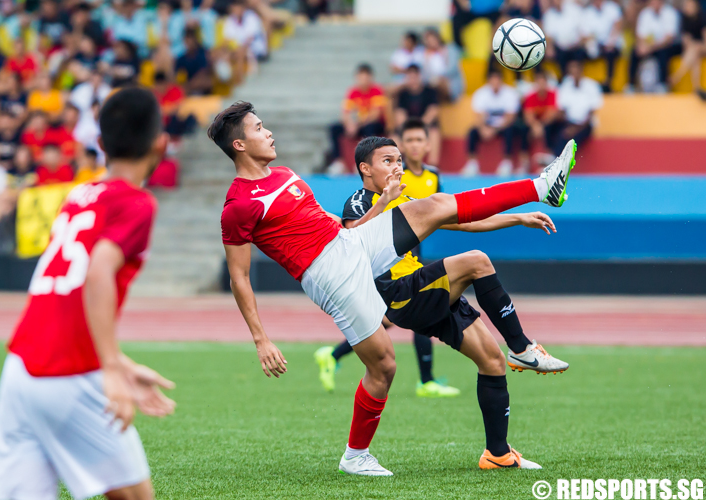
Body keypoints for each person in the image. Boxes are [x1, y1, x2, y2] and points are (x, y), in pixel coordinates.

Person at [211, 100, 577, 475]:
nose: (268, 132)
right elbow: (239, 277)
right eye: (258, 128)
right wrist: (261, 339)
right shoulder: (238, 205)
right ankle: (355, 456)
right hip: (328, 273)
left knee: (435, 205)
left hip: (347, 246)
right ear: (239, 145)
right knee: (384, 367)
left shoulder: (286, 174)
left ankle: (540, 186)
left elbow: (335, 225)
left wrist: (380, 208)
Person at [0, 87, 176, 500]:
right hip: (70, 371)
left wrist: (120, 363)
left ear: (101, 144)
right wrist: (110, 366)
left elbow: (65, 291)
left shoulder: (79, 194)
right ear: (161, 144)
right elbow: (96, 272)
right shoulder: (137, 203)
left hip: (19, 368)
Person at [315, 118, 461, 398]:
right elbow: (356, 232)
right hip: (387, 255)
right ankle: (426, 380)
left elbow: (438, 211)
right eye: (411, 141)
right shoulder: (374, 189)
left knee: (387, 320)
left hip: (411, 250)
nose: (416, 146)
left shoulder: (432, 176)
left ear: (428, 145)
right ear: (403, 144)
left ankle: (333, 355)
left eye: (421, 140)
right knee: (417, 309)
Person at [326, 64, 387, 174]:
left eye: (365, 78)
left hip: (373, 124)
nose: (363, 81)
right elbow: (345, 112)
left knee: (369, 129)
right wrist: (349, 124)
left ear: (370, 78)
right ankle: (338, 161)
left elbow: (375, 115)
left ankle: (363, 161)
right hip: (357, 124)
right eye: (360, 78)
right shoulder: (353, 91)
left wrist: (357, 124)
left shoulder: (376, 90)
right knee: (334, 128)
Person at [462, 70, 523, 177]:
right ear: (489, 81)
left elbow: (510, 117)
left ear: (501, 81)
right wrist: (483, 129)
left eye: (497, 81)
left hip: (503, 126)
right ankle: (472, 164)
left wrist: (495, 130)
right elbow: (478, 116)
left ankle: (506, 163)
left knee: (511, 131)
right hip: (487, 126)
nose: (495, 84)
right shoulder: (481, 94)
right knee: (472, 131)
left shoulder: (510, 93)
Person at [551, 60, 602, 156]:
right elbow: (562, 109)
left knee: (569, 137)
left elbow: (591, 114)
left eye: (575, 71)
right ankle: (552, 156)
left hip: (585, 125)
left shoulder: (592, 86)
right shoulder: (566, 85)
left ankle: (556, 160)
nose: (573, 74)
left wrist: (575, 129)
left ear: (581, 71)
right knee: (552, 128)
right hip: (569, 122)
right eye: (571, 72)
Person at [628, 0, 681, 92]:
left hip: (666, 46)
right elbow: (640, 35)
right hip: (649, 46)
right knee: (634, 51)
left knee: (663, 53)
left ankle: (662, 85)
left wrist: (651, 47)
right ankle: (631, 85)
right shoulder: (645, 13)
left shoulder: (670, 13)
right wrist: (643, 46)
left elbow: (669, 38)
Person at [395, 65, 441, 165]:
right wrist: (409, 128)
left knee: (434, 132)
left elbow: (433, 111)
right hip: (407, 127)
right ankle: (398, 165)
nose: (412, 80)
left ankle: (433, 164)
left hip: (426, 126)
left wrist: (419, 126)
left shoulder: (429, 91)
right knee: (394, 135)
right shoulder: (402, 94)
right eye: (410, 77)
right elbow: (400, 115)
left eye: (414, 77)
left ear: (419, 77)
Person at [582, 0, 624, 93]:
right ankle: (582, 84)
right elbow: (585, 34)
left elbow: (618, 25)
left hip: (612, 43)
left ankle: (608, 83)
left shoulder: (612, 8)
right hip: (596, 44)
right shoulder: (588, 12)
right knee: (579, 53)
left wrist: (611, 42)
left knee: (610, 53)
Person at [522, 70, 561, 166]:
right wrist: (535, 126)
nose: (541, 85)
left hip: (547, 123)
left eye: (543, 82)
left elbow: (552, 114)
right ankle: (524, 161)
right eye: (538, 82)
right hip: (535, 124)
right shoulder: (530, 96)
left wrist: (541, 126)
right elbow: (528, 115)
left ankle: (549, 157)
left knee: (552, 128)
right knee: (523, 129)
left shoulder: (552, 94)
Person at [669, 0, 706, 99]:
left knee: (696, 48)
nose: (687, 7)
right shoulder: (684, 20)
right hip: (693, 51)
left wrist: (695, 45)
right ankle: (697, 88)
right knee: (695, 58)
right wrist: (693, 46)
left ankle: (676, 77)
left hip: (703, 47)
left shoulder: (702, 19)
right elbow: (686, 42)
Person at [543, 0, 586, 77]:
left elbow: (582, 30)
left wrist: (580, 42)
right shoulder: (549, 15)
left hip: (576, 46)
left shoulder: (574, 10)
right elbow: (549, 35)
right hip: (560, 48)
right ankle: (564, 79)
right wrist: (550, 48)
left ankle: (578, 78)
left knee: (580, 54)